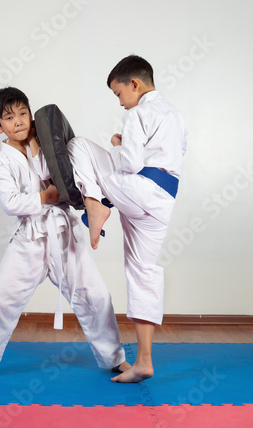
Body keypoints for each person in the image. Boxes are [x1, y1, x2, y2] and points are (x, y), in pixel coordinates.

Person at [0, 87, 129, 383]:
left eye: (22, 113)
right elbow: (12, 203)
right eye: (8, 117)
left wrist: (36, 148)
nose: (17, 121)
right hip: (28, 240)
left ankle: (114, 359)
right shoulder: (1, 162)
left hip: (64, 235)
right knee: (0, 300)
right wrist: (45, 197)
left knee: (95, 296)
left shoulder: (48, 147)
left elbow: (66, 184)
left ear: (31, 115)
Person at [67, 55, 188, 383]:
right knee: (143, 272)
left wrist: (117, 146)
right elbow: (170, 155)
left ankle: (97, 204)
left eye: (119, 94)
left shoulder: (138, 113)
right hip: (162, 201)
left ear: (134, 85)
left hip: (138, 189)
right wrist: (127, 150)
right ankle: (144, 361)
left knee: (78, 145)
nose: (120, 103)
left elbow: (129, 165)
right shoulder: (176, 116)